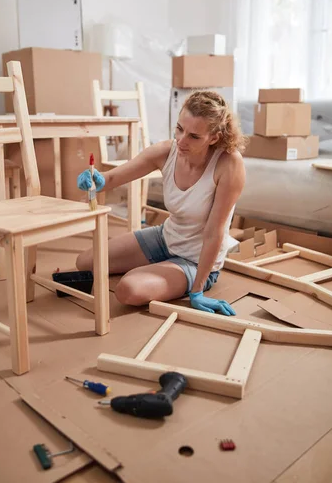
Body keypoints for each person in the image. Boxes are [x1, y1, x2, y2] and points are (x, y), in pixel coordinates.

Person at [76, 90, 246, 315]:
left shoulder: (229, 165)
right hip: (166, 238)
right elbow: (112, 178)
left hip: (196, 260)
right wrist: (96, 180)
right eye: (179, 129)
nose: (181, 141)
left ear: (213, 137)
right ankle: (159, 270)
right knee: (85, 262)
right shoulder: (167, 151)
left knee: (128, 290)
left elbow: (215, 233)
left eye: (194, 136)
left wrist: (197, 290)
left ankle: (171, 275)